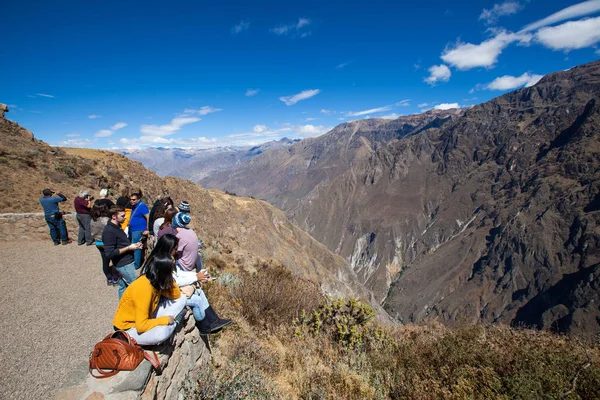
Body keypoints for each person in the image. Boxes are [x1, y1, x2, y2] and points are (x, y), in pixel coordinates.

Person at [151, 234, 232, 335]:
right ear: (169, 247)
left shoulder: (167, 258)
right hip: (164, 297)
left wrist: (197, 275)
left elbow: (179, 273)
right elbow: (175, 281)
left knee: (199, 291)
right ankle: (204, 327)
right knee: (196, 300)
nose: (177, 251)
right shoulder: (162, 262)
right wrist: (196, 277)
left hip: (170, 291)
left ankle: (214, 320)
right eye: (175, 248)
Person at [112, 253, 187, 345]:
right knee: (162, 333)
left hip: (146, 317)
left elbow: (176, 295)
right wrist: (165, 320)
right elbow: (141, 326)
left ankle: (172, 322)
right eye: (170, 272)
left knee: (183, 298)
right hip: (129, 328)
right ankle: (175, 322)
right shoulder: (144, 288)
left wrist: (169, 274)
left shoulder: (155, 281)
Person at [102, 206, 143, 299]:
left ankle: (122, 307)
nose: (125, 217)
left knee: (123, 287)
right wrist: (129, 247)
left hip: (124, 262)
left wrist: (134, 246)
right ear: (114, 216)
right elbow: (109, 253)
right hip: (123, 264)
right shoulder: (109, 231)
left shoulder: (116, 227)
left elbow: (121, 244)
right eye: (123, 216)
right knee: (136, 287)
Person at [90, 204, 119, 285]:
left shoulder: (92, 220)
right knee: (115, 261)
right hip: (109, 243)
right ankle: (116, 278)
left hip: (98, 243)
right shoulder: (107, 220)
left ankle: (109, 278)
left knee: (105, 262)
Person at [128, 190, 150, 270]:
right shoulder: (134, 206)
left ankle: (136, 264)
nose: (131, 201)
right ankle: (135, 260)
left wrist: (147, 229)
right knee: (133, 245)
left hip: (138, 230)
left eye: (133, 199)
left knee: (136, 246)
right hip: (132, 229)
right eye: (130, 199)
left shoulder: (142, 206)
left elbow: (148, 217)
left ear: (138, 199)